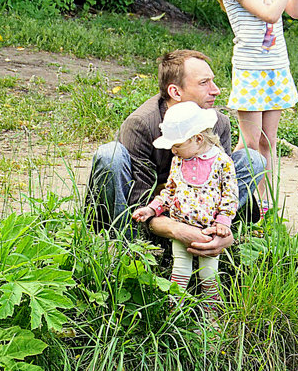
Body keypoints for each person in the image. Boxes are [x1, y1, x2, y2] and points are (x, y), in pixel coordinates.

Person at [87, 49, 265, 258]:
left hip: (201, 209)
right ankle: (127, 245)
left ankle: (215, 234)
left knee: (253, 160)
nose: (215, 90)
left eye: (213, 81)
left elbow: (222, 185)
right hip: (149, 211)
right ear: (175, 92)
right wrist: (175, 229)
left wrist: (223, 228)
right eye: (203, 83)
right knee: (110, 156)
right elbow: (138, 198)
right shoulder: (141, 124)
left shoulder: (218, 122)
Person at [207, 0, 298, 213]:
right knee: (250, 144)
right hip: (251, 71)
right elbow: (269, 13)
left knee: (267, 142)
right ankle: (226, 191)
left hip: (275, 69)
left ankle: (262, 203)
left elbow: (295, 12)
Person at [131, 102, 238, 307]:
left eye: (177, 145)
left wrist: (223, 221)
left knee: (208, 276)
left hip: (209, 232)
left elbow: (230, 194)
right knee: (179, 273)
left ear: (198, 139)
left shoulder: (221, 161)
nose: (173, 150)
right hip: (181, 226)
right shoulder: (179, 161)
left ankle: (211, 314)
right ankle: (174, 313)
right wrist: (152, 208)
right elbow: (170, 191)